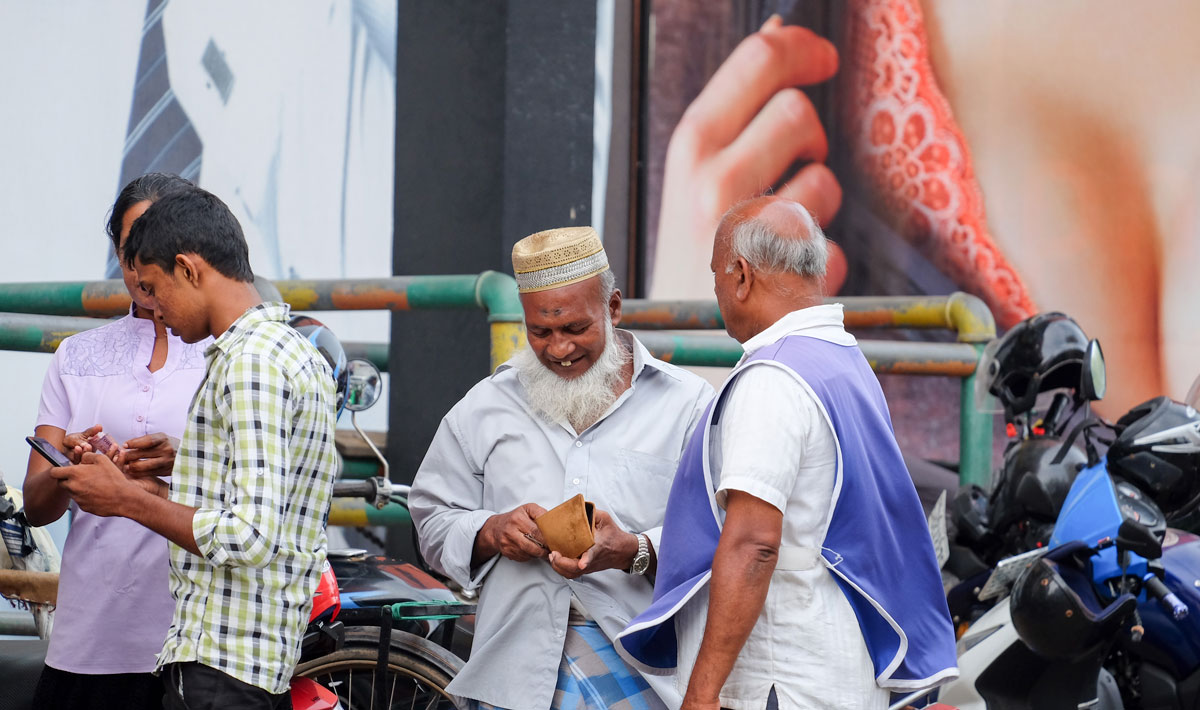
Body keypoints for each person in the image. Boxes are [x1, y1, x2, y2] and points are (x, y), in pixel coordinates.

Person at [618, 196, 957, 709]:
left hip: (782, 680)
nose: (716, 293)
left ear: (740, 275)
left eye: (715, 277)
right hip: (836, 668)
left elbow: (754, 544)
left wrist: (702, 694)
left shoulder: (772, 380)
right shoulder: (842, 361)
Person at [48, 185, 340, 709]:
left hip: (222, 664)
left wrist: (126, 501)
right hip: (250, 661)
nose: (155, 310)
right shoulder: (291, 350)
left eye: (156, 289)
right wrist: (156, 485)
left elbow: (250, 534)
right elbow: (265, 505)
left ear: (188, 268)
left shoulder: (249, 362)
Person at [409, 226, 714, 710]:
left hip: (642, 667)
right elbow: (431, 517)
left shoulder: (688, 406)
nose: (558, 349)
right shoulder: (487, 404)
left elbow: (719, 538)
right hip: (511, 673)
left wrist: (633, 550)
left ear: (613, 308)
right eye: (540, 332)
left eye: (575, 329)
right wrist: (491, 532)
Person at [22, 173, 205, 710]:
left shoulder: (226, 356)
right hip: (93, 634)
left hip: (198, 633)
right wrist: (67, 466)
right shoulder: (77, 356)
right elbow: (35, 507)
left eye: (156, 250)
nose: (142, 271)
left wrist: (182, 460)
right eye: (130, 252)